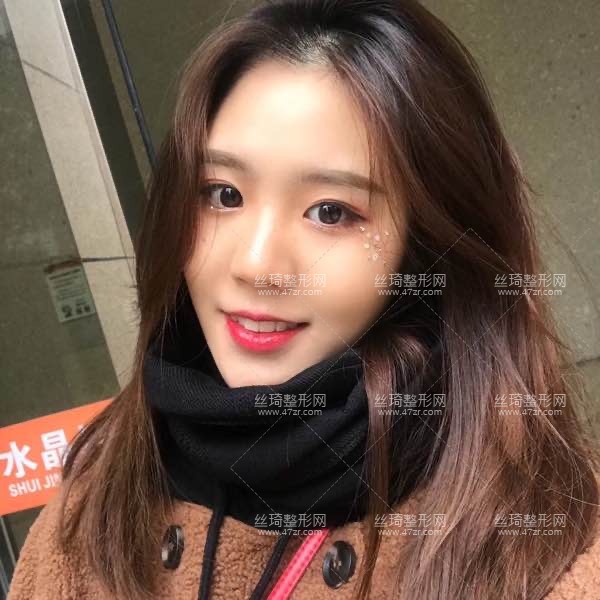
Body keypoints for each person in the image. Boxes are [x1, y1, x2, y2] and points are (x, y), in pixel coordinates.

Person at [9, 1, 600, 598]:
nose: (255, 264)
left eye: (331, 212)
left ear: (426, 247)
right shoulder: (91, 508)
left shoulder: (552, 548)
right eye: (223, 194)